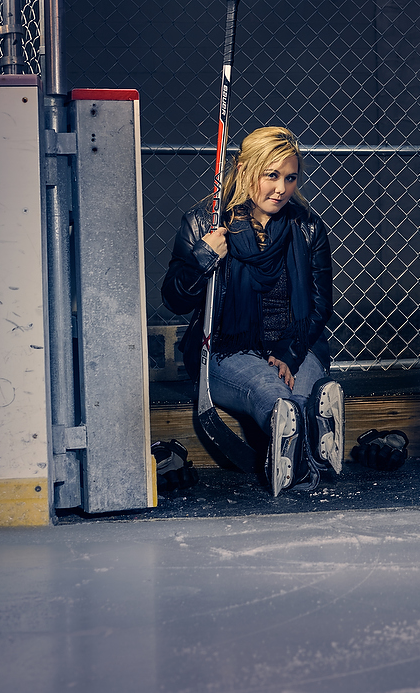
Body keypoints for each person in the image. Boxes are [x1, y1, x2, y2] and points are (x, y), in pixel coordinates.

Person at [161, 126, 344, 497]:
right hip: (228, 350)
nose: (281, 189)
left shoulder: (307, 226)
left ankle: (299, 443)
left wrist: (290, 354)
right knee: (271, 393)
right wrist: (204, 256)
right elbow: (174, 298)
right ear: (245, 170)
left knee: (288, 392)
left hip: (295, 344)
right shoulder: (206, 223)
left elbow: (321, 302)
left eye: (290, 178)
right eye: (271, 175)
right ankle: (315, 434)